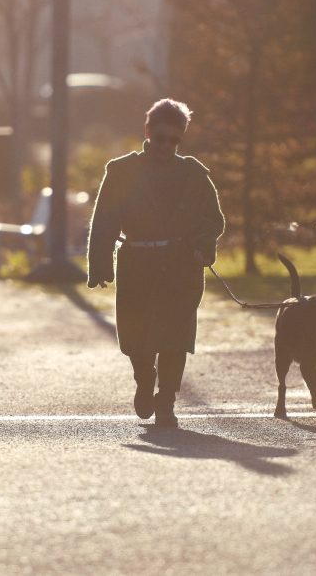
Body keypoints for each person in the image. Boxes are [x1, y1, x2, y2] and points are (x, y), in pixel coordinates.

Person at [86, 98, 225, 427]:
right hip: (137, 265)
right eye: (161, 137)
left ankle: (167, 401)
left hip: (181, 267)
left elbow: (213, 220)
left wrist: (203, 246)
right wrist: (100, 265)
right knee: (137, 337)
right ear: (148, 131)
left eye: (175, 140)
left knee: (175, 337)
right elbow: (104, 219)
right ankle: (144, 378)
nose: (167, 146)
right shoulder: (121, 172)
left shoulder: (194, 174)